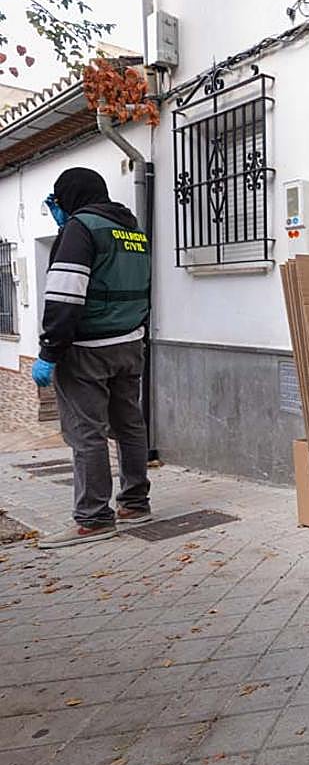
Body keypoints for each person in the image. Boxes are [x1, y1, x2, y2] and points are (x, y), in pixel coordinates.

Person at [32, 168, 152, 549]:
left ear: (70, 196)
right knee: (129, 424)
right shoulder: (132, 230)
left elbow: (66, 294)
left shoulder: (79, 229)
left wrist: (50, 350)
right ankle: (135, 502)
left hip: (86, 352)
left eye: (58, 199)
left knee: (87, 433)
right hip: (130, 345)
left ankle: (94, 518)